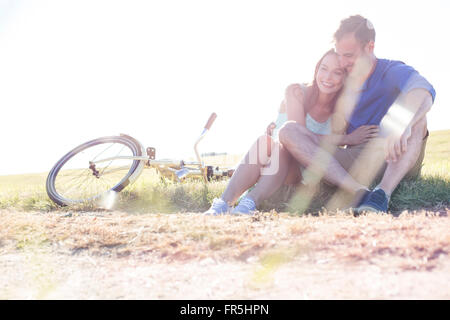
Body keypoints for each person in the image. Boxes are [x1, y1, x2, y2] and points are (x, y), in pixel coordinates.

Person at [278, 15, 436, 214]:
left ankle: (381, 194)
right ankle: (360, 192)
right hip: (356, 159)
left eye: (349, 55)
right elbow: (315, 107)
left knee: (418, 117)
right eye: (339, 54)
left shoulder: (390, 70)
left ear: (370, 47)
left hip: (394, 153)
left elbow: (424, 92)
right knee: (289, 130)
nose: (342, 62)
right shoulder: (342, 81)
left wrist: (403, 126)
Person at [204, 49, 377, 215]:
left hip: (299, 174)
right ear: (317, 69)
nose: (327, 77)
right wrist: (346, 138)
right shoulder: (296, 91)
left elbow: (308, 149)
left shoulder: (340, 113)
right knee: (268, 140)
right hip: (270, 165)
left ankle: (250, 201)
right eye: (323, 69)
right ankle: (224, 203)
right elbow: (296, 132)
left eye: (337, 72)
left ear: (344, 77)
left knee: (284, 144)